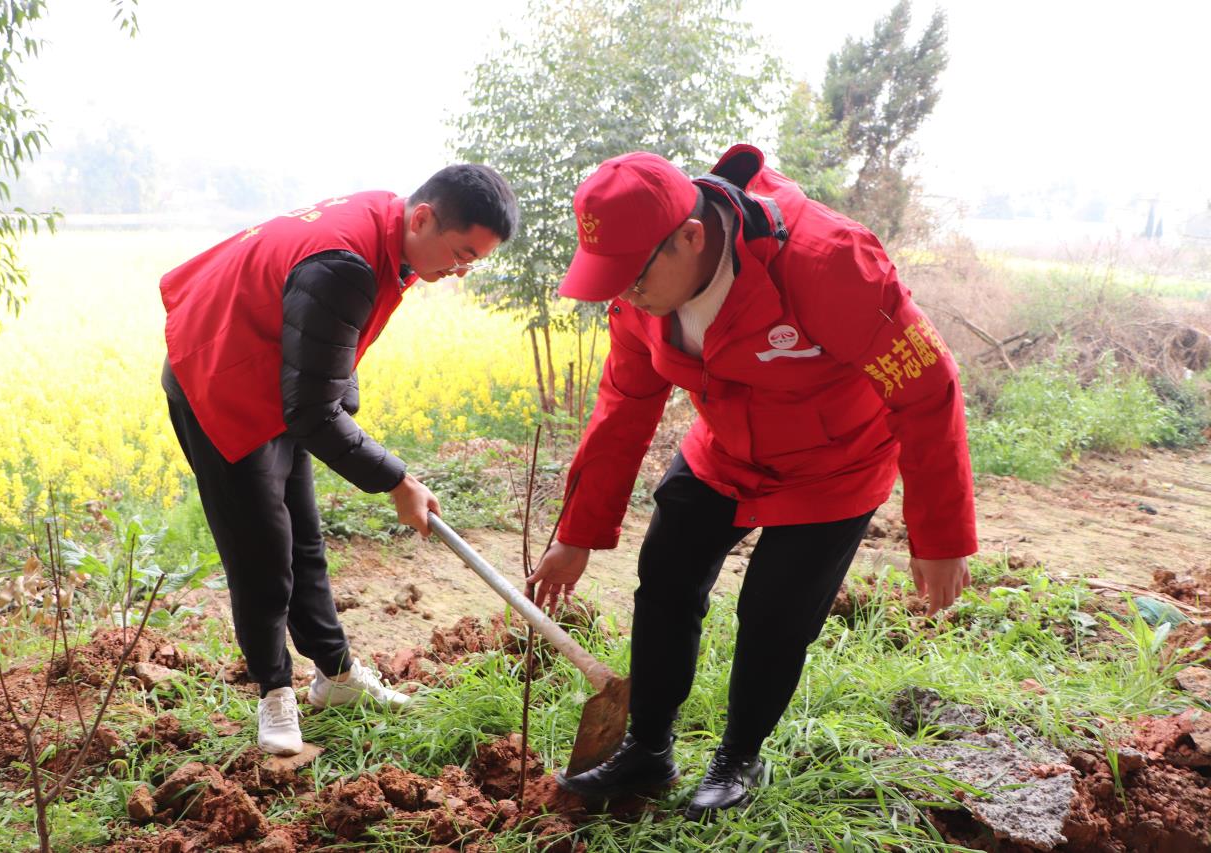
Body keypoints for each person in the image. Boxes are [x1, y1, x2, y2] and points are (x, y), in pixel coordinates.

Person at [528, 145, 976, 819]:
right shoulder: (644, 298)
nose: (625, 293)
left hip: (836, 464)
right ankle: (649, 745)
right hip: (727, 449)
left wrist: (939, 535)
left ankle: (738, 757)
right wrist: (578, 532)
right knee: (667, 575)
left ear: (691, 236)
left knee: (773, 612)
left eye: (632, 276)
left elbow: (928, 386)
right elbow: (623, 408)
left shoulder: (829, 264)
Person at [159, 165, 518, 755]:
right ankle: (275, 691)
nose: (459, 271)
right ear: (424, 217)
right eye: (459, 254)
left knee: (304, 543)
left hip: (273, 379)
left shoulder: (388, 224)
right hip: (218, 382)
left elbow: (326, 357)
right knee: (262, 553)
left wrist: (343, 405)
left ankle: (336, 674)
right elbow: (313, 412)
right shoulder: (344, 263)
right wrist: (397, 479)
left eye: (473, 261)